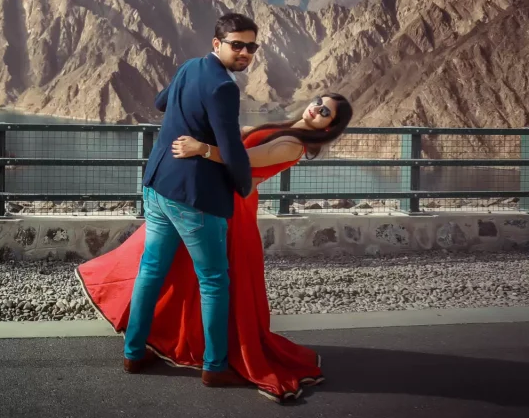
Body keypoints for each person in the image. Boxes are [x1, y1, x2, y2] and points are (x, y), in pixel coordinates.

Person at [77, 91, 354, 403]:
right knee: (188, 275)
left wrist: (200, 148)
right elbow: (237, 140)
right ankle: (191, 351)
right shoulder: (286, 128)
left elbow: (242, 160)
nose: (317, 109)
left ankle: (177, 352)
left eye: (326, 112)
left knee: (199, 278)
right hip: (218, 198)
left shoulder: (293, 144)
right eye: (318, 102)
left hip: (230, 208)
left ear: (330, 127)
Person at [112, 13, 259, 387]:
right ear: (217, 44)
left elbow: (162, 102)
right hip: (194, 197)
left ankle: (133, 354)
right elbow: (231, 150)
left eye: (251, 46)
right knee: (212, 279)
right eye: (236, 45)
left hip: (157, 185)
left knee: (151, 269)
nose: (244, 52)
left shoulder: (190, 67)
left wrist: (190, 117)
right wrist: (245, 186)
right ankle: (215, 366)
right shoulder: (224, 88)